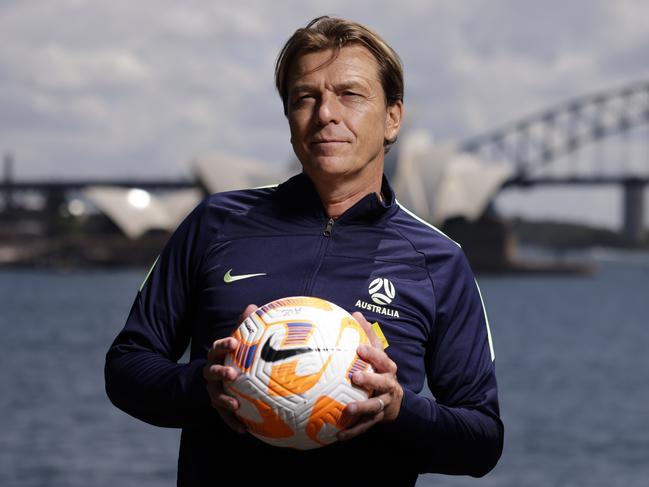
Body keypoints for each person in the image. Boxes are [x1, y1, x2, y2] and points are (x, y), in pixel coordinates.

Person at [105, 16, 503, 486]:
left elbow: (482, 440)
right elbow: (127, 366)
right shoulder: (215, 223)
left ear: (393, 118)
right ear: (290, 117)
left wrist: (398, 409)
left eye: (350, 94)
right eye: (305, 97)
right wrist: (202, 384)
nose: (325, 114)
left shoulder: (438, 260)